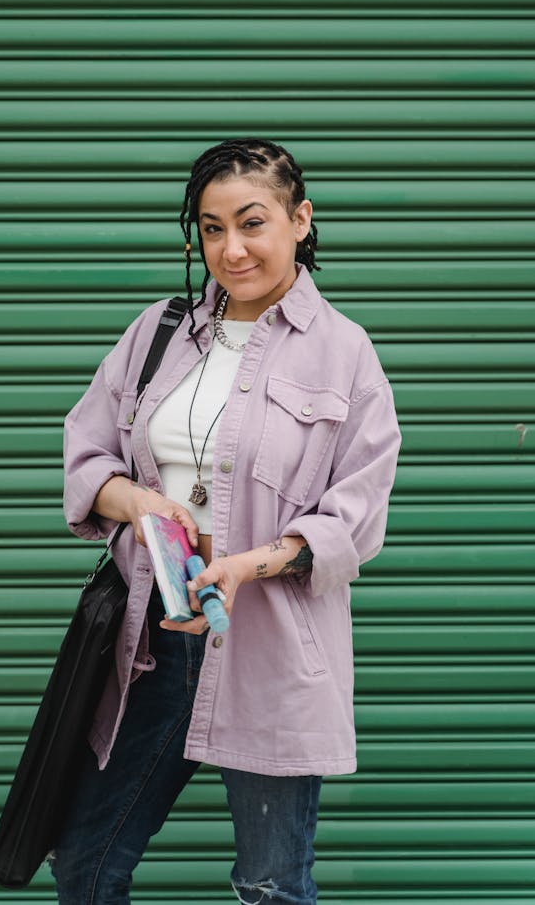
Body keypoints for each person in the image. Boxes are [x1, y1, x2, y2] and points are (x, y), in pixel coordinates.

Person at [52, 137, 401, 905]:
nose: (231, 249)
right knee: (85, 863)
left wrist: (247, 565)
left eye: (252, 223)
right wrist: (137, 501)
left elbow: (356, 516)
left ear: (300, 219)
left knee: (271, 884)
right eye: (212, 228)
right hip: (151, 641)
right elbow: (86, 451)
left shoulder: (345, 353)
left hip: (269, 646)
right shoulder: (159, 331)